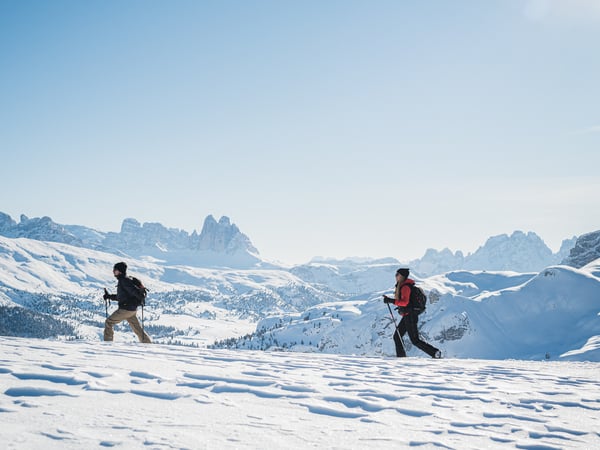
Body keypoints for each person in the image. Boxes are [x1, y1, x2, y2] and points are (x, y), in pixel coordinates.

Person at [383, 268, 441, 358]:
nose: (395, 276)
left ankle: (435, 353)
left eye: (397, 274)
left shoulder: (405, 287)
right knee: (397, 336)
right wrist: (391, 300)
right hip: (407, 315)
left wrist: (391, 301)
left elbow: (405, 302)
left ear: (402, 276)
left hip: (410, 316)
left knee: (415, 340)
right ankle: (401, 357)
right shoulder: (403, 286)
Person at [103, 262, 151, 343]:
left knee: (109, 322)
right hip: (131, 310)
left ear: (120, 271)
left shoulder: (124, 281)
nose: (113, 271)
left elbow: (133, 292)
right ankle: (148, 344)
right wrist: (109, 296)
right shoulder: (126, 280)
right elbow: (122, 297)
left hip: (126, 309)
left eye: (115, 270)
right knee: (137, 328)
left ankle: (107, 344)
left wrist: (139, 295)